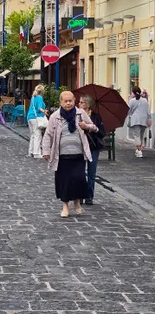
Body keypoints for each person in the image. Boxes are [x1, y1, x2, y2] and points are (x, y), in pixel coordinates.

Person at [42, 90, 98, 218]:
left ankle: (77, 202)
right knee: (64, 181)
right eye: (65, 101)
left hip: (79, 154)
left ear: (74, 101)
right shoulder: (55, 116)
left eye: (70, 101)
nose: (68, 103)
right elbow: (48, 135)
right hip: (61, 155)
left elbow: (95, 127)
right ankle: (65, 206)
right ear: (61, 102)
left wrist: (86, 126)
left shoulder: (80, 113)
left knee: (78, 179)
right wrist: (46, 151)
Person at [78, 95, 105, 205]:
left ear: (87, 104)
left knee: (91, 173)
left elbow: (102, 133)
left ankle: (89, 196)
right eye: (79, 102)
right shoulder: (77, 116)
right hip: (80, 147)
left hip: (93, 147)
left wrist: (93, 128)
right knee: (80, 172)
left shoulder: (96, 117)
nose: (79, 104)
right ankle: (80, 195)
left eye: (81, 102)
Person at [128, 86, 151, 158]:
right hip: (144, 120)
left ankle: (139, 150)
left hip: (135, 120)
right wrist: (149, 120)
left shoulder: (132, 101)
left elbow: (128, 111)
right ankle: (138, 150)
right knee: (141, 135)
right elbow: (148, 111)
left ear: (134, 93)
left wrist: (130, 114)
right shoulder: (145, 100)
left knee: (136, 136)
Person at [27, 84, 47, 159]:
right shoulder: (39, 97)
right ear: (42, 91)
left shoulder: (33, 97)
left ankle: (30, 152)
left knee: (32, 135)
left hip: (30, 117)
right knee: (37, 135)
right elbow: (39, 108)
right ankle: (36, 153)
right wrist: (44, 111)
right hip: (36, 118)